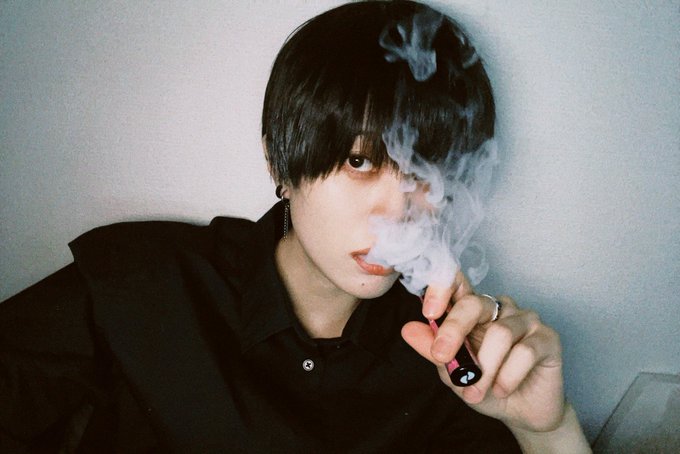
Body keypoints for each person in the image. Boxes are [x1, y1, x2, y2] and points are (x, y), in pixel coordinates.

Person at [0, 1, 591, 452]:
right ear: (280, 165)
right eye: (359, 161)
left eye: (427, 172)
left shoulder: (453, 362)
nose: (399, 211)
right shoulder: (147, 281)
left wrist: (548, 431)